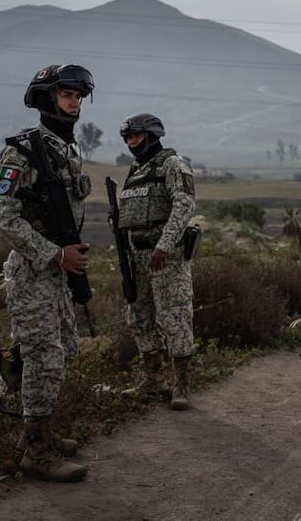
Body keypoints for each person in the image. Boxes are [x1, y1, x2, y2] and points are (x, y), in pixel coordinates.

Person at [0, 64, 95, 482]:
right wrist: (55, 255)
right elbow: (2, 218)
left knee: (63, 350)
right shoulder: (23, 153)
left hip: (57, 272)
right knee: (41, 356)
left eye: (78, 97)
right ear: (46, 98)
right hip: (34, 270)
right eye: (67, 95)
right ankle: (34, 450)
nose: (74, 103)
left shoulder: (65, 150)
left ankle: (40, 432)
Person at [115, 113, 197, 410]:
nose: (130, 142)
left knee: (174, 317)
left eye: (135, 136)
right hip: (137, 258)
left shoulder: (172, 165)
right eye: (127, 137)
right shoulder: (136, 171)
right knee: (139, 318)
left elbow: (184, 205)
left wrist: (164, 244)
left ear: (151, 134)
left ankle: (182, 385)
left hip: (166, 257)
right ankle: (153, 379)